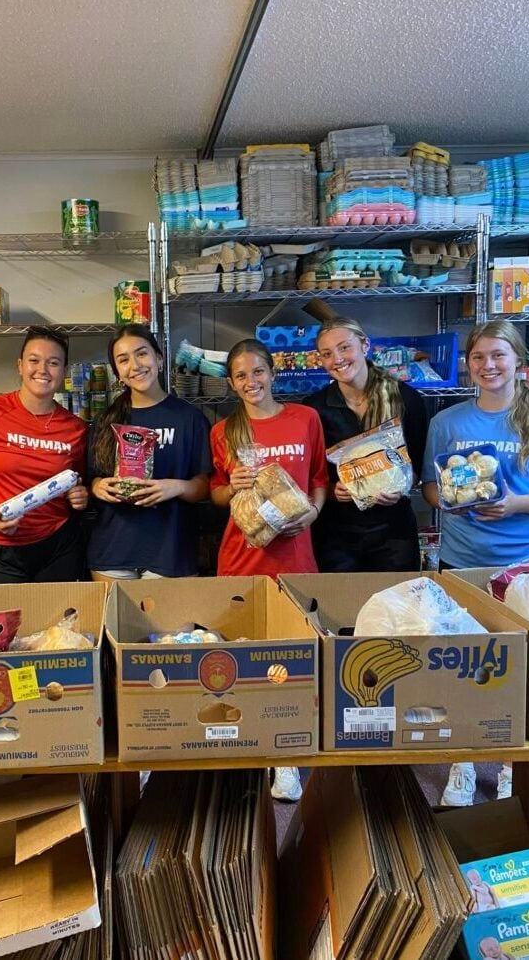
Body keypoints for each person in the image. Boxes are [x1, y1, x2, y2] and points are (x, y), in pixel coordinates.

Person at [422, 319, 529, 807]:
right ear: (468, 365)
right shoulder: (447, 422)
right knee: (464, 667)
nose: (488, 365)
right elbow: (432, 488)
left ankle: (514, 765)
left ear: (518, 361)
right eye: (479, 357)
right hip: (462, 560)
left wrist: (517, 504)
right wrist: (452, 500)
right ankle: (464, 761)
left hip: (525, 568)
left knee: (522, 671)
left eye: (498, 355)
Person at [210, 338, 328, 802]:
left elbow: (318, 478)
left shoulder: (305, 419)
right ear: (232, 383)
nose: (250, 382)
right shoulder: (224, 431)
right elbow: (216, 495)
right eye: (240, 375)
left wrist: (314, 513)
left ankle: (288, 755)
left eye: (257, 372)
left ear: (272, 372)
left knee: (295, 663)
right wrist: (230, 486)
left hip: (296, 558)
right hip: (242, 559)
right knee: (247, 662)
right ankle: (254, 748)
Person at [0, 326, 89, 584]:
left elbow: (75, 481)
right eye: (34, 360)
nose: (42, 370)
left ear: (64, 372)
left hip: (58, 547)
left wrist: (79, 494)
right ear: (20, 365)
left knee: (59, 624)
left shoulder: (75, 428)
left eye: (54, 363)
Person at [304, 315, 427, 572]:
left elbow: (417, 466)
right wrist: (330, 489)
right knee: (339, 608)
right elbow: (309, 475)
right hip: (336, 536)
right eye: (327, 353)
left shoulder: (406, 400)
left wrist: (401, 486)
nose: (337, 359)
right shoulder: (313, 409)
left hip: (394, 533)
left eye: (344, 347)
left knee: (395, 606)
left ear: (365, 345)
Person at [88, 324, 211, 581]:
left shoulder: (190, 419)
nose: (135, 365)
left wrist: (175, 487)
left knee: (174, 623)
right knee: (116, 623)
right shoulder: (105, 421)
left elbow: (205, 485)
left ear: (159, 358)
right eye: (123, 360)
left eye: (142, 353)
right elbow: (93, 478)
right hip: (113, 552)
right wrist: (98, 486)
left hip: (171, 552)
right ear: (118, 373)